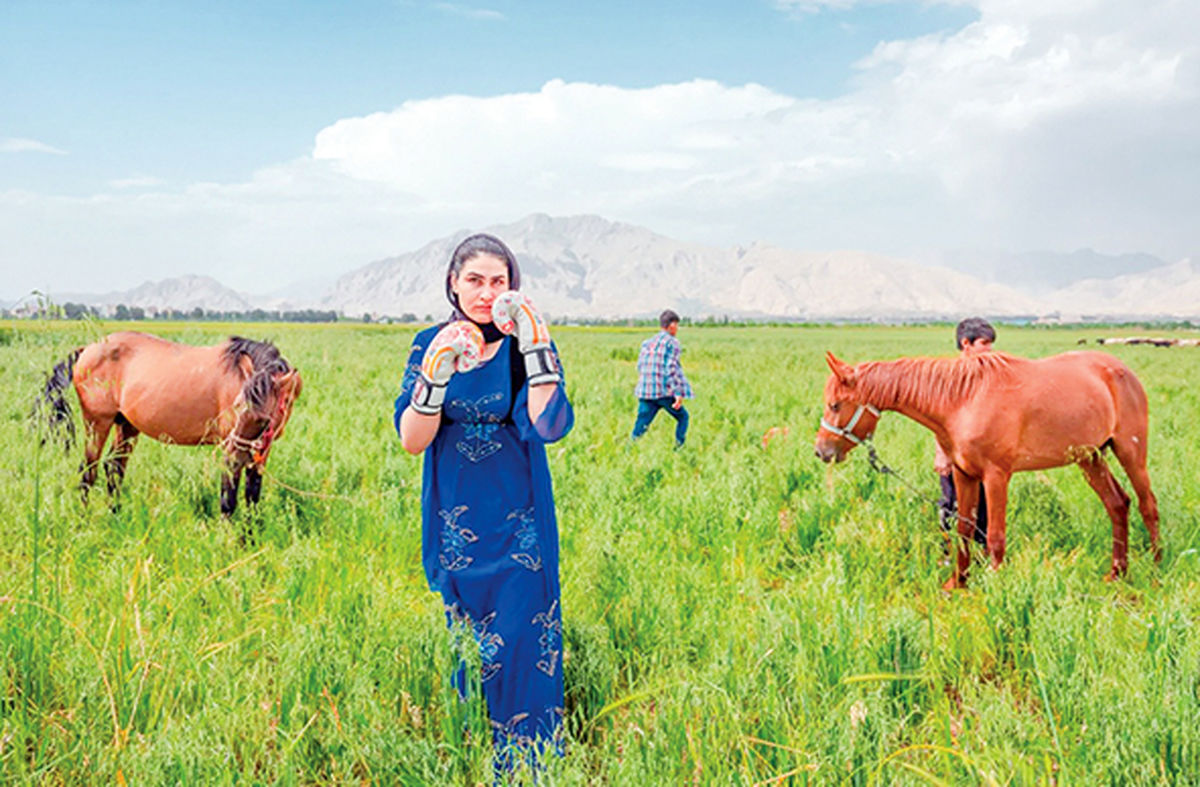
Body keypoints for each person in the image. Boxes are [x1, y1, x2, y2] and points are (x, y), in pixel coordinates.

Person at [394, 233, 573, 773]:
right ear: (453, 283)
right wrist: (435, 375)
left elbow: (550, 425)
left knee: (522, 634)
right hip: (457, 521)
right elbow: (411, 438)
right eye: (475, 280)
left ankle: (531, 761)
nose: (486, 292)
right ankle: (469, 744)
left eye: (499, 282)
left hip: (519, 521)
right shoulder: (429, 342)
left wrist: (537, 347)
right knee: (466, 637)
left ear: (513, 289)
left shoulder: (526, 345)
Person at [936, 317, 996, 552]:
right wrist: (942, 454)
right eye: (984, 343)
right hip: (956, 454)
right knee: (952, 504)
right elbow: (939, 420)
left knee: (983, 506)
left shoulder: (986, 374)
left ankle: (980, 553)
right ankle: (950, 553)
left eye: (991, 344)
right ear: (966, 344)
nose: (989, 350)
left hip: (983, 454)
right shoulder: (949, 377)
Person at [631, 309, 694, 448]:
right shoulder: (673, 343)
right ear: (671, 325)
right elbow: (671, 369)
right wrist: (678, 393)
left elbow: (640, 365)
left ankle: (629, 451)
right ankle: (679, 449)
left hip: (645, 391)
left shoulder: (647, 343)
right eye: (676, 325)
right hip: (663, 392)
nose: (677, 328)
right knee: (683, 417)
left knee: (641, 425)